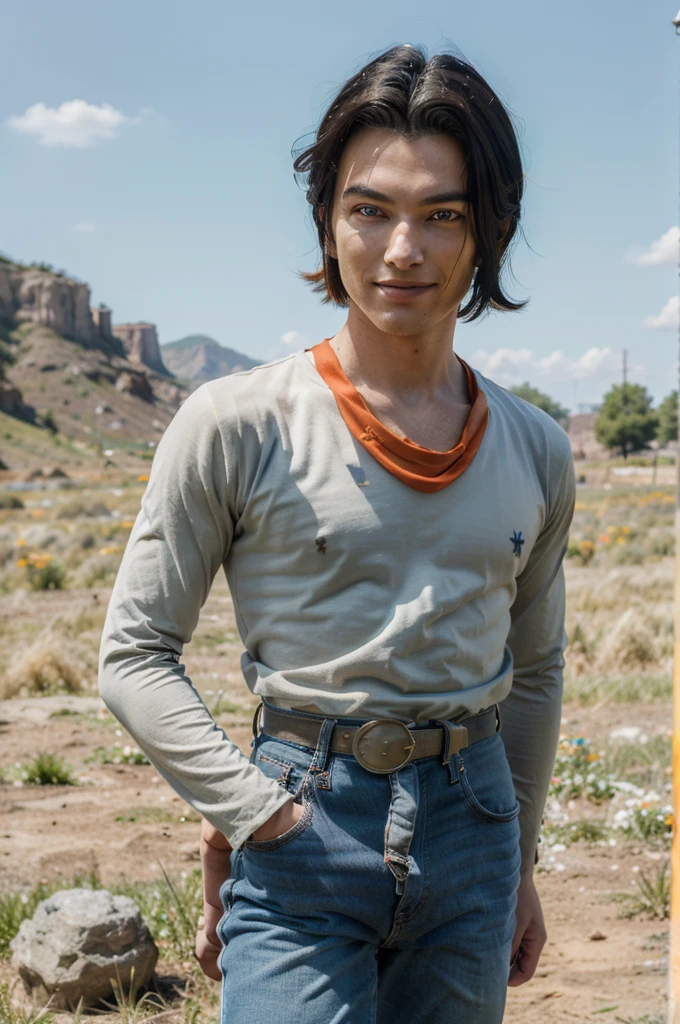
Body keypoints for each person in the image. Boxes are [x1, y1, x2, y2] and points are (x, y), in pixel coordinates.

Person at [98, 43, 575, 1024]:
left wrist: (516, 857)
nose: (401, 248)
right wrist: (254, 814)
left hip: (474, 828)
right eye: (369, 208)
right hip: (300, 823)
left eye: (440, 214)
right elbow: (133, 656)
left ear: (489, 229)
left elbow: (534, 669)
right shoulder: (235, 422)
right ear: (327, 217)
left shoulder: (533, 447)